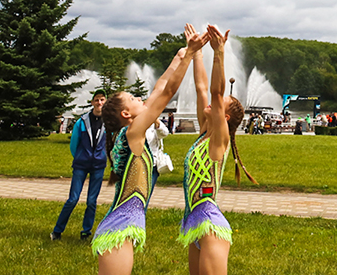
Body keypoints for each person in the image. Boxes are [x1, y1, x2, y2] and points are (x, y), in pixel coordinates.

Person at [92, 24, 209, 275]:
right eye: (134, 99)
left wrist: (180, 55)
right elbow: (166, 93)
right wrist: (189, 55)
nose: (140, 99)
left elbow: (159, 87)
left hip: (125, 225)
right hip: (118, 229)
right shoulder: (131, 135)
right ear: (126, 114)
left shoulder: (135, 134)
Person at [179, 24, 256, 275]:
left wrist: (219, 52)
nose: (210, 104)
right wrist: (197, 51)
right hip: (194, 222)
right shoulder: (205, 131)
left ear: (225, 119)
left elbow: (215, 90)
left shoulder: (218, 140)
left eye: (217, 105)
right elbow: (203, 88)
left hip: (210, 225)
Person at [51, 89, 107, 241]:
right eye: (97, 100)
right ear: (92, 102)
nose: (99, 103)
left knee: (91, 201)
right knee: (73, 199)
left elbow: (111, 144)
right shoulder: (82, 122)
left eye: (102, 100)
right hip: (81, 165)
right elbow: (73, 144)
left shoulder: (109, 122)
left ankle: (86, 231)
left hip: (98, 166)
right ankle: (57, 230)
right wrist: (80, 157)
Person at [145, 117, 173, 193]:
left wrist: (155, 118)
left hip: (152, 164)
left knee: (146, 195)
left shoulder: (152, 124)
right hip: (135, 164)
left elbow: (164, 133)